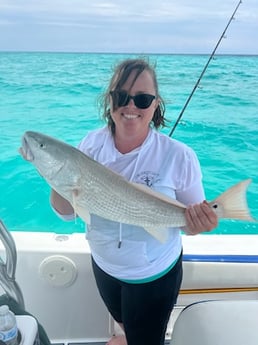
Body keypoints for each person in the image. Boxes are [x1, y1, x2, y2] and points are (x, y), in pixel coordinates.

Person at [50, 58, 218, 345]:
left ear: (155, 105)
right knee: (123, 322)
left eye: (142, 99)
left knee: (147, 339)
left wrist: (204, 221)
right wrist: (56, 175)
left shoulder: (179, 156)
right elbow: (66, 214)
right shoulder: (90, 145)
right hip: (104, 265)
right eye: (121, 97)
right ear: (109, 100)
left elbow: (191, 224)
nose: (131, 106)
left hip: (152, 276)